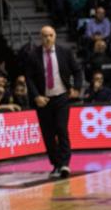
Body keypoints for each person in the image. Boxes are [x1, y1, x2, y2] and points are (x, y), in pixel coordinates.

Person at [25, 26, 83, 179]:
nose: (48, 38)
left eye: (50, 35)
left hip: (61, 97)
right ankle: (56, 163)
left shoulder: (65, 52)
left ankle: (65, 164)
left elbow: (77, 70)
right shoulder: (33, 55)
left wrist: (77, 87)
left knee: (61, 128)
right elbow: (29, 78)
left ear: (55, 36)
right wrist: (36, 96)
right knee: (48, 134)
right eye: (45, 36)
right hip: (44, 100)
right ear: (41, 37)